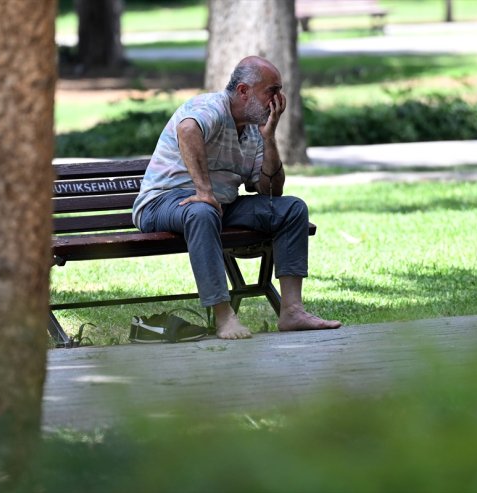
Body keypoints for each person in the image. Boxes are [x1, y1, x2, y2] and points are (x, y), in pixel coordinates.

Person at [132, 55, 342, 340]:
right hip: (163, 202)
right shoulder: (211, 108)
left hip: (220, 205)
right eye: (272, 90)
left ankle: (292, 312)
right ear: (244, 90)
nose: (279, 99)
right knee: (202, 212)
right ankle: (224, 317)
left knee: (291, 208)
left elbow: (270, 191)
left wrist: (269, 139)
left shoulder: (254, 131)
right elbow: (187, 129)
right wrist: (204, 192)